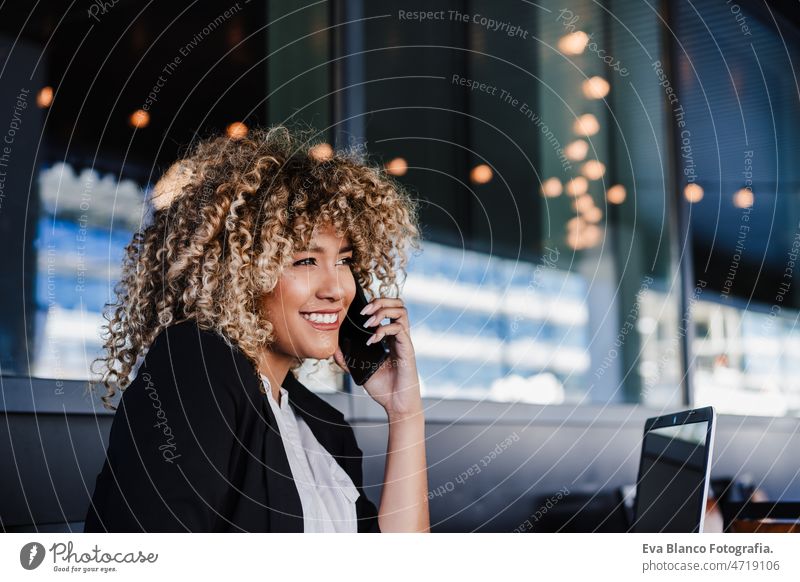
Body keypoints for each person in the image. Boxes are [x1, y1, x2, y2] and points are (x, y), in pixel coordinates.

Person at [84, 126, 429, 533]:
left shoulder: (326, 428)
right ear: (240, 274)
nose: (336, 289)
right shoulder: (196, 369)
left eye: (343, 261)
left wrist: (405, 411)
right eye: (304, 261)